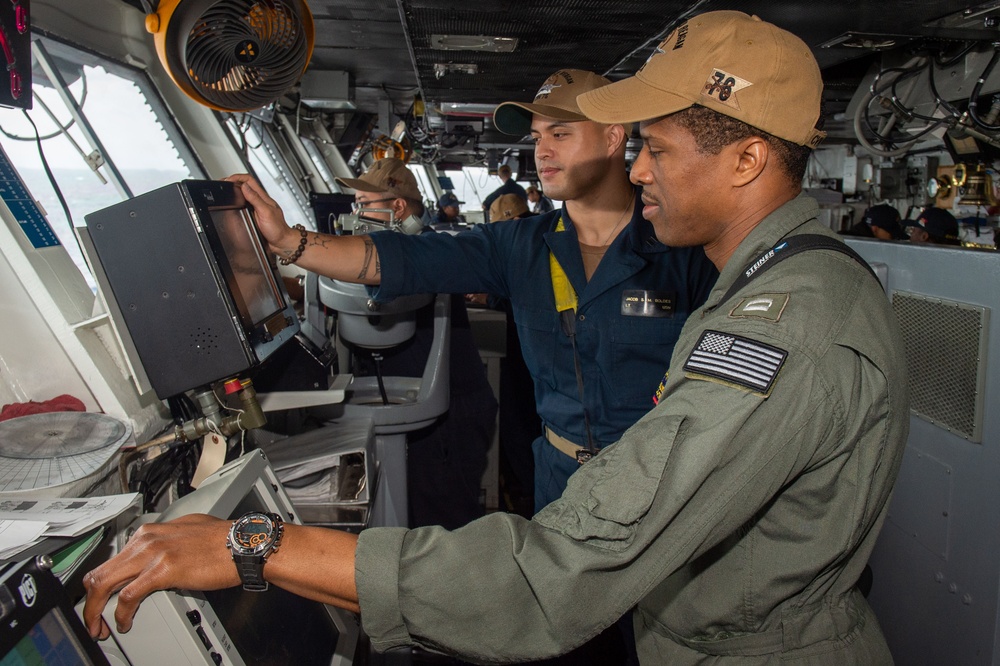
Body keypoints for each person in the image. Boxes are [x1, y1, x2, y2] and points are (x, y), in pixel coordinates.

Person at [334, 158, 498, 530]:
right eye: (355, 203)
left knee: (443, 527)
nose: (355, 213)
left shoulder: (427, 253)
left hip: (449, 420)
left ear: (397, 208)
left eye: (364, 203)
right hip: (413, 409)